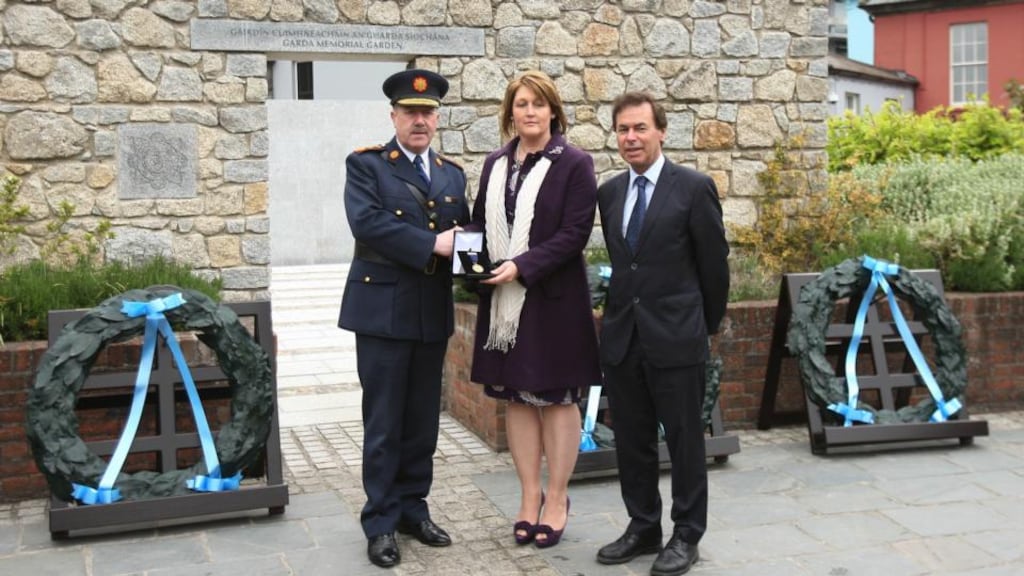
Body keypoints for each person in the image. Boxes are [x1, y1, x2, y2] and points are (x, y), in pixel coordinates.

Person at [338, 68, 469, 569]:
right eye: (411, 112)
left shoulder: (452, 173)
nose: (420, 120)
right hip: (381, 314)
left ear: (437, 118)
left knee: (422, 424)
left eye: (428, 112)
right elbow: (366, 223)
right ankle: (381, 522)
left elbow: (467, 235)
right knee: (385, 422)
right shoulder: (367, 166)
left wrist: (485, 267)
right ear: (393, 115)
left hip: (430, 313)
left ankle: (415, 509)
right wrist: (432, 244)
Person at [595, 92, 729, 576]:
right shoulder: (608, 193)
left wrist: (700, 327)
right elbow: (623, 265)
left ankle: (687, 534)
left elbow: (715, 269)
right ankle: (643, 525)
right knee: (631, 439)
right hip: (624, 339)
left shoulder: (693, 188)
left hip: (677, 338)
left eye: (640, 128)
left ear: (661, 131)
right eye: (623, 130)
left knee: (685, 440)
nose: (631, 138)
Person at [467, 70, 600, 549]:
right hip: (505, 302)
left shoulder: (575, 164)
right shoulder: (494, 163)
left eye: (538, 104)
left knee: (557, 400)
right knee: (519, 398)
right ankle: (529, 497)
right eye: (521, 103)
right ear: (510, 112)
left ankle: (559, 498)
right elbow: (480, 221)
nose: (530, 112)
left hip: (552, 301)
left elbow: (575, 233)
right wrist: (468, 258)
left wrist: (520, 266)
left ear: (553, 111)